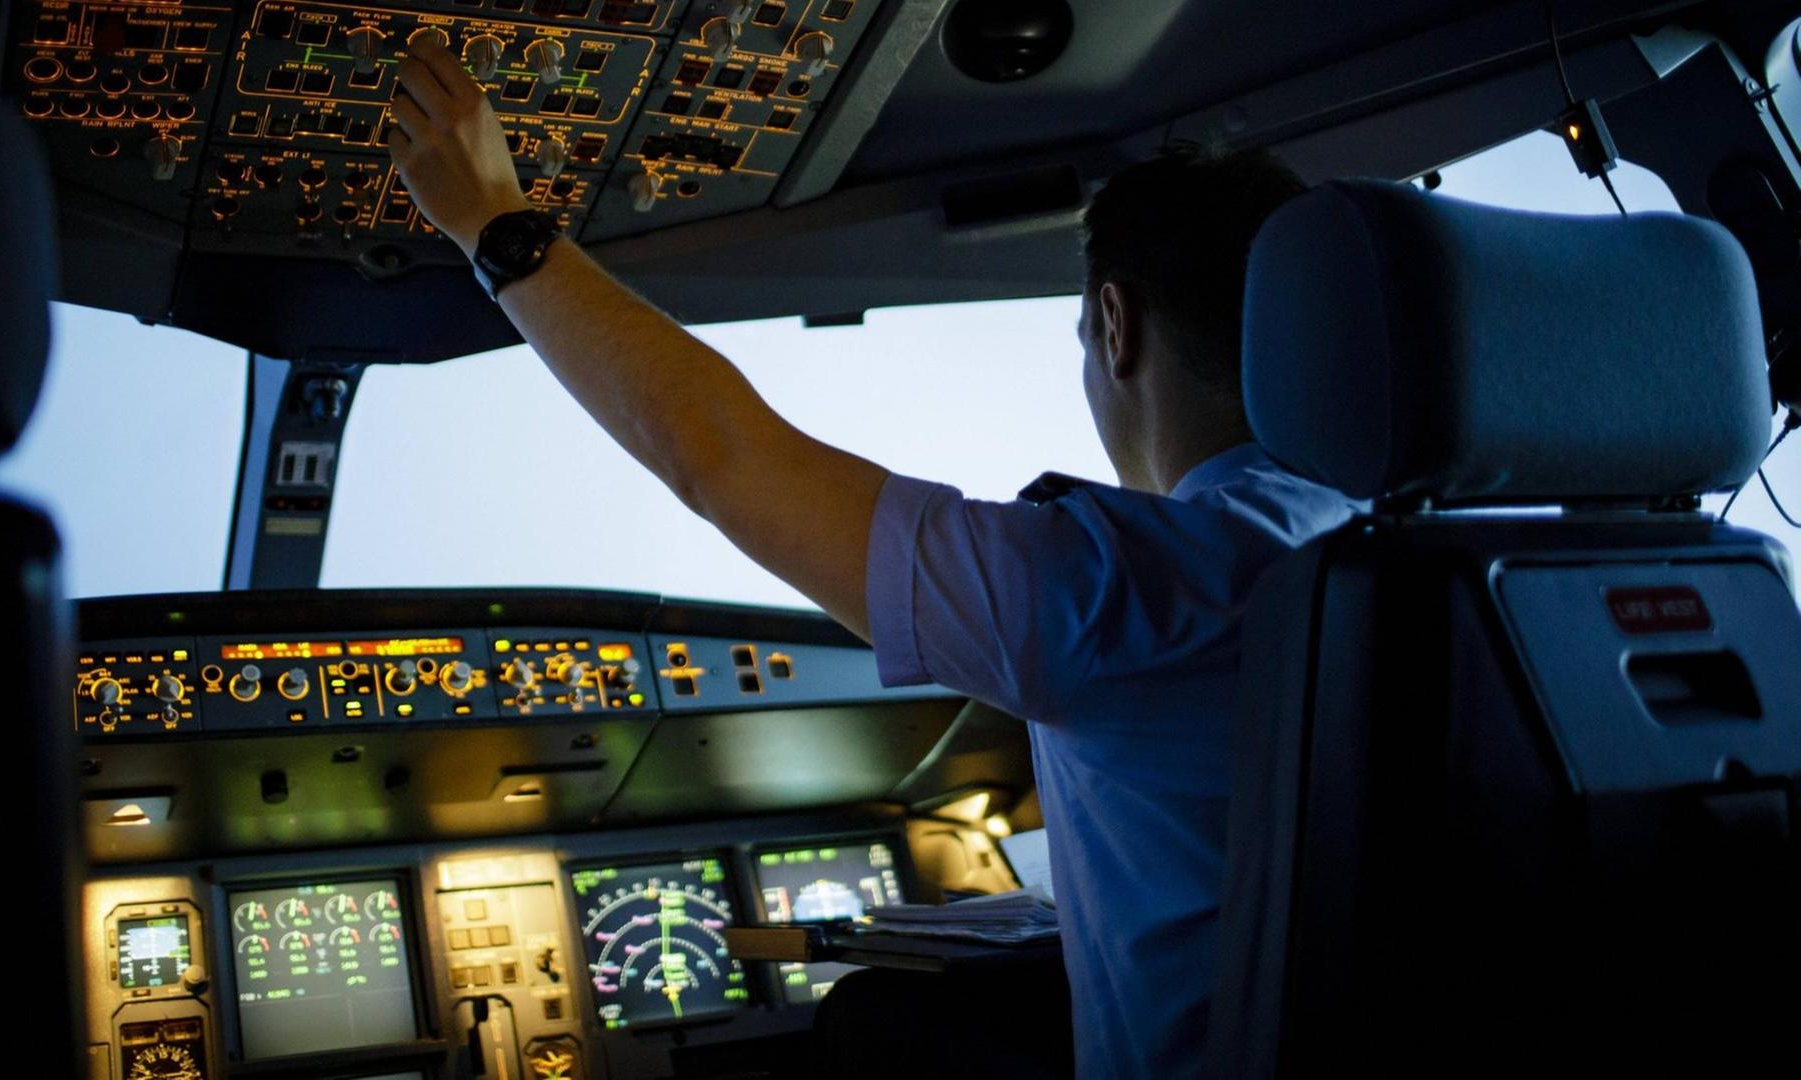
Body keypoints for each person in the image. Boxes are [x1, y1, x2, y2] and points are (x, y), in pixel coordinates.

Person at [385, 38, 1359, 1076]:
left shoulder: (1145, 584)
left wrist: (494, 224)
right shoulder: (1417, 544)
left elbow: (723, 460)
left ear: (1114, 327)